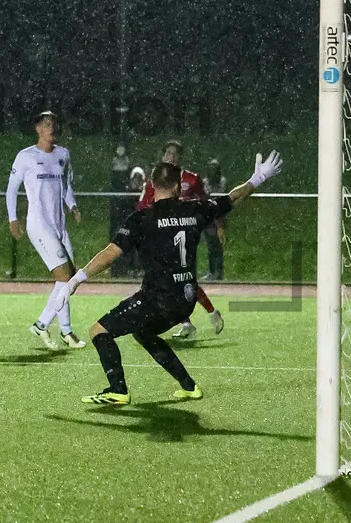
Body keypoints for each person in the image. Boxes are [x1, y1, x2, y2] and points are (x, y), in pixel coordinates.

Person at [65, 152, 282, 405]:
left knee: (98, 331)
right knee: (144, 333)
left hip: (158, 300)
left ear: (151, 185)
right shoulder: (195, 209)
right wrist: (256, 179)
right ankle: (189, 387)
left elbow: (110, 255)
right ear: (178, 186)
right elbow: (230, 199)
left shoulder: (142, 219)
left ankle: (117, 390)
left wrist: (77, 278)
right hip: (186, 301)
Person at [7, 111, 85, 350]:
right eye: (47, 124)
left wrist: (72, 205)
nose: (52, 128)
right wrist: (13, 219)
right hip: (39, 225)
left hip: (59, 226)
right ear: (38, 128)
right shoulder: (25, 157)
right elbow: (11, 190)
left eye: (54, 124)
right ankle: (42, 324)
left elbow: (66, 186)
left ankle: (66, 332)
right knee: (64, 277)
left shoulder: (63, 155)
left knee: (69, 279)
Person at [136, 140, 222, 338]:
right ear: (163, 155)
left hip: (184, 235)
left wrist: (215, 223)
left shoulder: (191, 179)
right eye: (168, 153)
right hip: (162, 235)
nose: (171, 157)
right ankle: (197, 318)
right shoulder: (155, 180)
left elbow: (206, 202)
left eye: (175, 153)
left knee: (179, 279)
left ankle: (197, 317)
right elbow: (142, 206)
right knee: (179, 279)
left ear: (180, 157)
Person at [111, 166, 144, 277]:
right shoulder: (126, 194)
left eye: (139, 179)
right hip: (128, 226)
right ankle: (125, 269)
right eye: (134, 179)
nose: (136, 181)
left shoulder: (145, 195)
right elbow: (121, 212)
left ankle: (139, 268)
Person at [201, 159, 229, 282]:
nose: (212, 170)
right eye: (210, 167)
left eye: (215, 167)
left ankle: (219, 272)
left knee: (218, 245)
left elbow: (220, 196)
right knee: (211, 244)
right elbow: (206, 195)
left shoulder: (222, 181)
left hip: (220, 215)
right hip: (208, 216)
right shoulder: (205, 182)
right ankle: (212, 271)